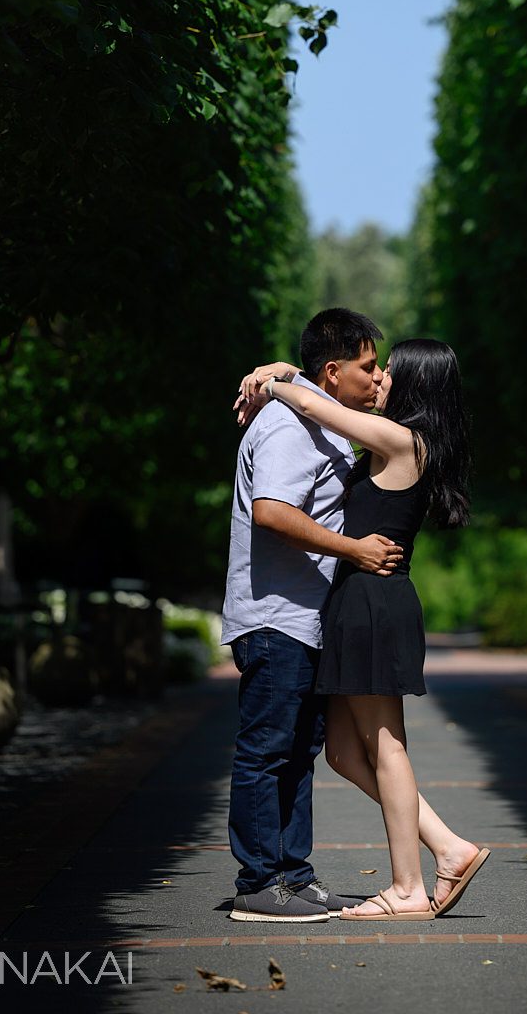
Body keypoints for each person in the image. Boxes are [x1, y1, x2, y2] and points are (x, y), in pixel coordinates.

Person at [247, 338, 489, 921]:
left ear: (414, 386)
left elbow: (321, 408)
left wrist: (274, 383)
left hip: (374, 605)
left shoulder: (403, 440)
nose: (377, 379)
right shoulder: (399, 442)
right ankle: (448, 846)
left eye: (388, 372)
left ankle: (407, 887)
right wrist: (286, 369)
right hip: (362, 603)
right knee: (341, 752)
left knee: (385, 745)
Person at [222, 308, 405, 922]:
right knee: (268, 749)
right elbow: (272, 511)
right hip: (276, 617)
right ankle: (258, 882)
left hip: (304, 618)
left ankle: (292, 877)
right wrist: (354, 549)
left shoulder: (314, 416)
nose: (375, 375)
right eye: (367, 366)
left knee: (299, 751)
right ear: (332, 371)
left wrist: (278, 374)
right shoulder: (286, 425)